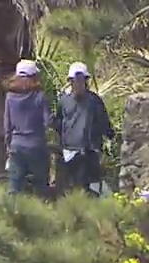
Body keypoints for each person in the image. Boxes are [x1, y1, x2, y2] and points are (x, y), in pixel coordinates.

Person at [52, 62, 115, 195]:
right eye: (75, 81)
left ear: (86, 81)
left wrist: (109, 136)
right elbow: (58, 122)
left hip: (90, 150)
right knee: (73, 188)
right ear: (70, 81)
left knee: (90, 187)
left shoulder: (94, 100)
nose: (78, 84)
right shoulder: (64, 101)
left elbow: (103, 122)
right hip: (70, 151)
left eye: (81, 80)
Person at [4, 59, 52, 195]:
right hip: (37, 145)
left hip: (17, 146)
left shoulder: (10, 97)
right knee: (40, 185)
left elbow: (7, 126)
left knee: (14, 187)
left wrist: (9, 145)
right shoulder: (40, 97)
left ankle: (13, 214)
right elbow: (47, 121)